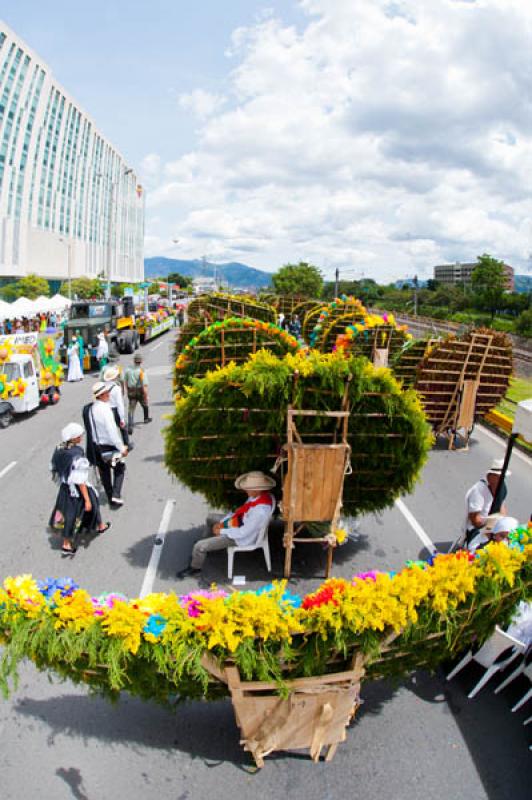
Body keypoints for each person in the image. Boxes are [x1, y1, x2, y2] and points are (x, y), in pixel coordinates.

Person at [177, 471, 276, 577]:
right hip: (239, 524)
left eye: (249, 488)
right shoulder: (258, 498)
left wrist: (222, 530)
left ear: (258, 489)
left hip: (240, 538)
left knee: (199, 546)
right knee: (210, 518)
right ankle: (209, 541)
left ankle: (195, 568)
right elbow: (240, 513)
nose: (245, 489)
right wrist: (223, 523)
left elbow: (242, 533)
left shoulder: (259, 512)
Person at [49, 422, 111, 555]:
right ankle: (66, 544)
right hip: (76, 489)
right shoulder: (76, 453)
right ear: (73, 437)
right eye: (79, 436)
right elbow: (79, 479)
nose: (81, 437)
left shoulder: (59, 448)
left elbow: (54, 467)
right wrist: (86, 499)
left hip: (65, 488)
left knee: (69, 513)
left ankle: (100, 525)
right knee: (82, 509)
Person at [83, 381, 128, 507]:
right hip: (108, 446)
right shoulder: (105, 409)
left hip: (96, 447)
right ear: (102, 395)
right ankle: (116, 495)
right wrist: (121, 447)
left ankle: (110, 497)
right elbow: (112, 432)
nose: (108, 394)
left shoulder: (90, 409)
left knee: (105, 473)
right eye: (106, 393)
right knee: (120, 468)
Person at [464, 458, 510, 545]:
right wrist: (489, 528)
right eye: (499, 477)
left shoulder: (501, 487)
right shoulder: (478, 490)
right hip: (478, 530)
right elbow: (475, 521)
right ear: (491, 475)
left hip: (494, 527)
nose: (502, 480)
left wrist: (500, 526)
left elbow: (502, 507)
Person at [102, 364, 130, 447]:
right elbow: (119, 404)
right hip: (114, 410)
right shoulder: (116, 388)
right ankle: (126, 444)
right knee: (123, 428)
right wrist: (122, 418)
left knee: (108, 429)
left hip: (104, 410)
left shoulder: (102, 386)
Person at [124, 353, 152, 434]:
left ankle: (130, 425)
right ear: (141, 361)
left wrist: (128, 390)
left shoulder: (128, 369)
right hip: (140, 391)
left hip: (131, 391)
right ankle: (146, 418)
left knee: (131, 409)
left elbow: (125, 381)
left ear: (134, 361)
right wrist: (146, 396)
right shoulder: (141, 371)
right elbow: (144, 385)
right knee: (145, 404)